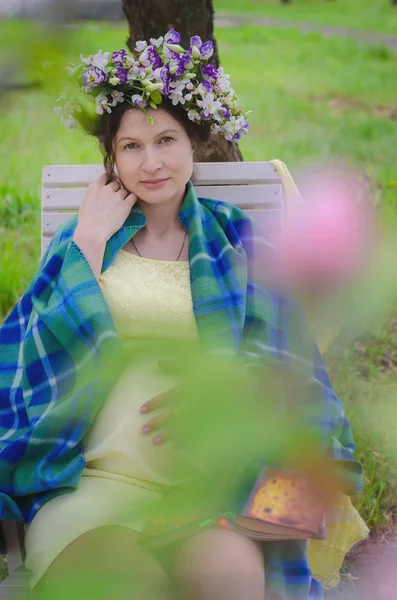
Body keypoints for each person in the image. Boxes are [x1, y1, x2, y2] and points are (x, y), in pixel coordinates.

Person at [0, 30, 367, 600]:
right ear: (111, 157)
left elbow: (293, 373)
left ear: (192, 143)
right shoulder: (83, 242)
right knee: (124, 578)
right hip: (91, 486)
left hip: (209, 490)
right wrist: (87, 249)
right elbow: (32, 363)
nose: (151, 162)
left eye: (166, 139)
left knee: (229, 577)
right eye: (131, 147)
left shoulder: (238, 244)